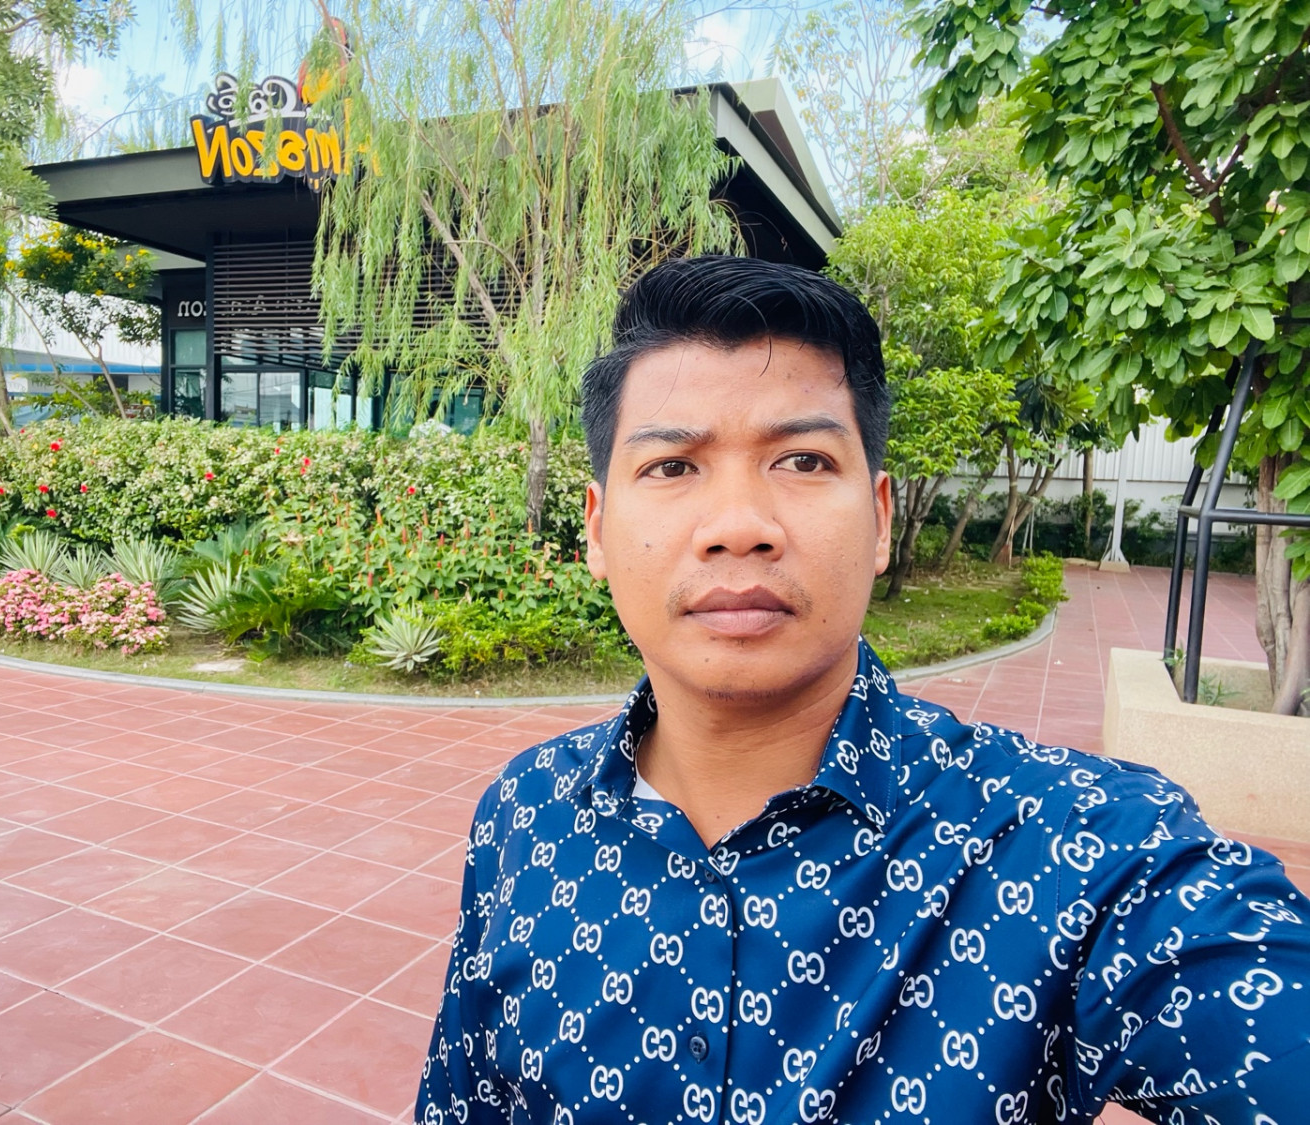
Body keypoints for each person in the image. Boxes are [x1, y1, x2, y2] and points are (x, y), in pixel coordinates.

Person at [416, 256, 1308, 1125]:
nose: (739, 527)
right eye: (673, 466)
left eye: (803, 461)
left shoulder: (1080, 851)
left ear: (880, 518)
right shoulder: (524, 814)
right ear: (598, 529)